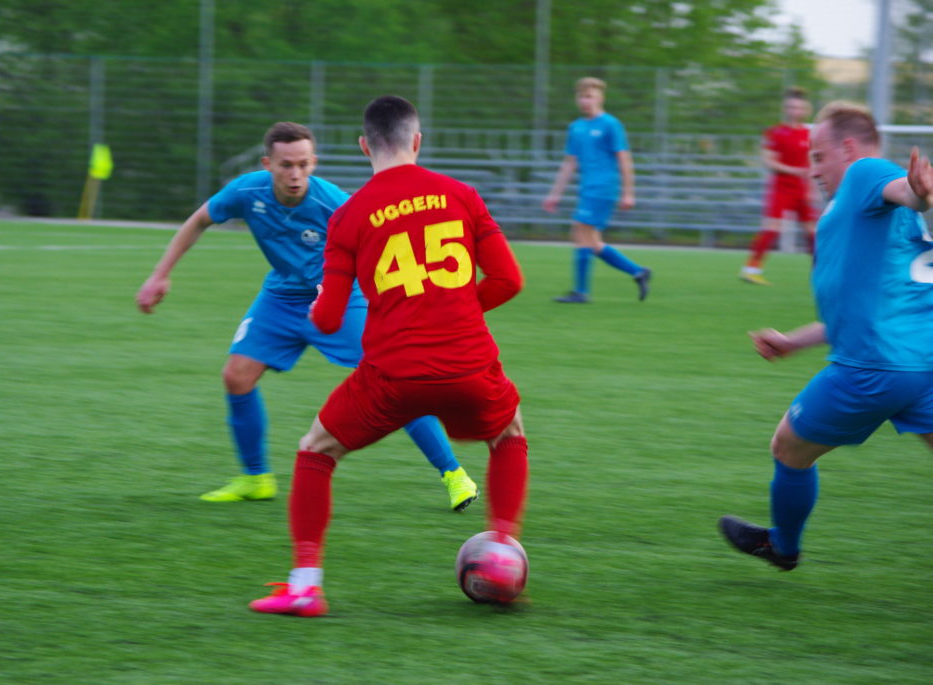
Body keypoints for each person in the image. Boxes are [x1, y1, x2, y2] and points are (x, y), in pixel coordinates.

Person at [249, 96, 529, 617]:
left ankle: (305, 586)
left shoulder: (348, 215)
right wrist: (456, 308)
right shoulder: (462, 195)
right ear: (417, 141)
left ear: (364, 147)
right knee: (508, 432)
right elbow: (509, 280)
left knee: (315, 451)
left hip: (393, 374)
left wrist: (317, 303)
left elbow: (328, 320)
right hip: (468, 364)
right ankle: (500, 555)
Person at [135, 121, 479, 511]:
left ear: (314, 162)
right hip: (281, 298)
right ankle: (256, 479)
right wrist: (159, 275)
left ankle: (454, 474)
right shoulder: (246, 192)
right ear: (268, 164)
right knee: (236, 376)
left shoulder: (334, 204)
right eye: (286, 165)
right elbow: (199, 220)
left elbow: (381, 251)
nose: (295, 174)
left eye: (303, 164)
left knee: (393, 380)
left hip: (342, 297)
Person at [719, 102, 933, 571]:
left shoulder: (863, 173)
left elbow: (902, 188)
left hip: (872, 369)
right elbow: (859, 311)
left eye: (818, 157)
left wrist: (918, 192)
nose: (812, 170)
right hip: (924, 363)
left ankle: (783, 546)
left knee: (788, 447)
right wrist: (793, 341)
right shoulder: (872, 216)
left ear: (849, 148)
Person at [543, 77, 651, 303]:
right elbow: (569, 164)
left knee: (581, 232)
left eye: (590, 96)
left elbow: (624, 159)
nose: (585, 101)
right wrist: (555, 193)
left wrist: (628, 192)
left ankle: (581, 292)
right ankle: (638, 272)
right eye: (581, 96)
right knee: (589, 240)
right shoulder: (576, 127)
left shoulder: (610, 124)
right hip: (587, 189)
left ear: (600, 98)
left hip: (603, 188)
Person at [740, 87, 817, 285]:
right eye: (791, 107)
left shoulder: (809, 134)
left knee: (812, 232)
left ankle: (820, 272)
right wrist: (794, 171)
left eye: (798, 107)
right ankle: (751, 269)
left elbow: (811, 164)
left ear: (806, 110)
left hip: (802, 189)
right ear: (785, 109)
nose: (795, 111)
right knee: (772, 228)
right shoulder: (775, 132)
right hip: (781, 187)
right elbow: (768, 161)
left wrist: (812, 188)